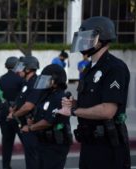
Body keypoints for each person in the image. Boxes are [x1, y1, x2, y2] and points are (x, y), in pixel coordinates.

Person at [59, 16, 131, 169]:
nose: (83, 43)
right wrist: (75, 103)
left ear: (101, 38)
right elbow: (91, 102)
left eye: (88, 38)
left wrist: (74, 110)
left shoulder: (114, 68)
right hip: (89, 144)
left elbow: (107, 111)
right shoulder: (89, 69)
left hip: (108, 148)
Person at [21, 64, 72, 169]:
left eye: (47, 79)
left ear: (55, 81)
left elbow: (48, 121)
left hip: (55, 146)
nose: (44, 82)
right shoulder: (47, 95)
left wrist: (30, 128)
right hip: (44, 143)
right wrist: (32, 120)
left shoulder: (60, 97)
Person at [7, 56, 40, 169]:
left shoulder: (35, 82)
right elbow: (21, 100)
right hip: (23, 124)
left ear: (28, 69)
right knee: (29, 156)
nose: (18, 70)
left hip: (31, 125)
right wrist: (14, 108)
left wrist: (14, 115)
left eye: (21, 67)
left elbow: (28, 106)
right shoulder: (26, 82)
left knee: (33, 158)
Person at [0, 56, 24, 169]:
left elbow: (0, 97)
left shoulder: (1, 79)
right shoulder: (20, 80)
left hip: (4, 114)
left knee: (7, 142)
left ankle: (6, 166)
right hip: (18, 114)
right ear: (16, 66)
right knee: (26, 142)